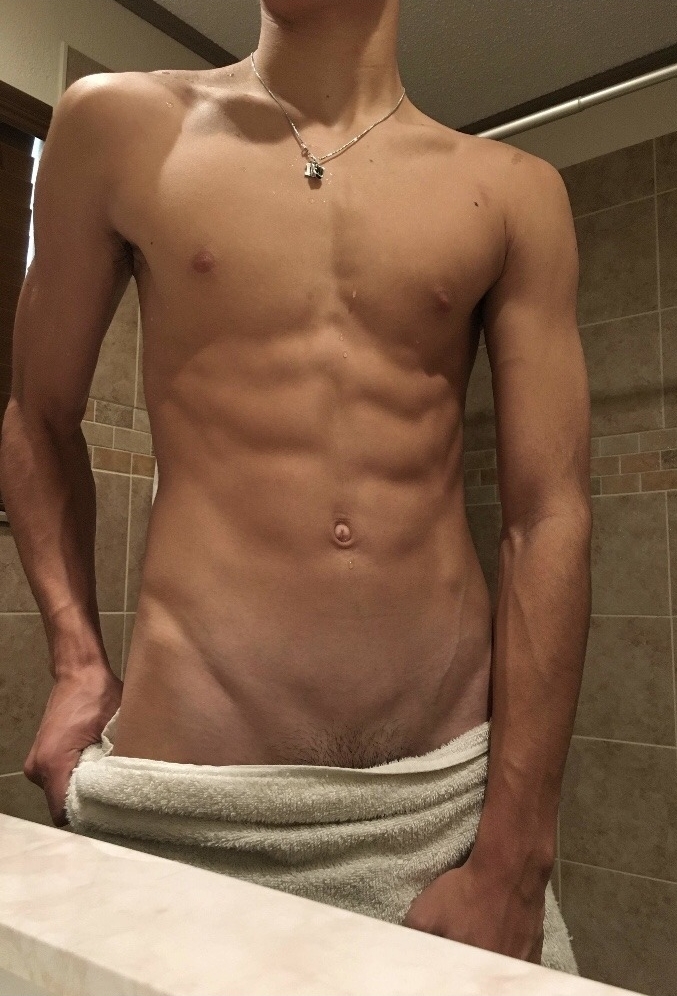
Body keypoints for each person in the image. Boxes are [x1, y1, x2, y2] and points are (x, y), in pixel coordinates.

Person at [1, 0, 591, 973]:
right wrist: (75, 662)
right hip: (185, 813)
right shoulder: (114, 124)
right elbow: (36, 418)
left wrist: (515, 859)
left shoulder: (512, 191)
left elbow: (548, 515)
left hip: (436, 819)